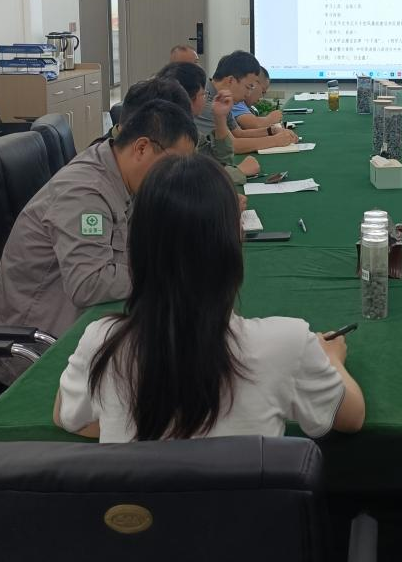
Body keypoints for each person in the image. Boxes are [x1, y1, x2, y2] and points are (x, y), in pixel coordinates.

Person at [55, 153, 365, 442]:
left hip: (138, 487)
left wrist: (136, 426)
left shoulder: (101, 341)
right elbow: (351, 417)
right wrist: (331, 359)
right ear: (233, 242)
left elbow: (65, 416)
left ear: (137, 247)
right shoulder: (289, 343)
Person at [0, 100, 198, 384]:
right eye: (174, 165)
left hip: (79, 327)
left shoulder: (120, 175)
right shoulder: (85, 192)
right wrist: (167, 273)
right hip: (35, 350)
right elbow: (90, 282)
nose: (176, 177)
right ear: (142, 148)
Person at [196, 51, 297, 154]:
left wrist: (271, 130)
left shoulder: (222, 97)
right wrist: (275, 140)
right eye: (248, 87)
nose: (248, 94)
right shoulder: (204, 101)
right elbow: (232, 145)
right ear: (231, 80)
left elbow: (238, 133)